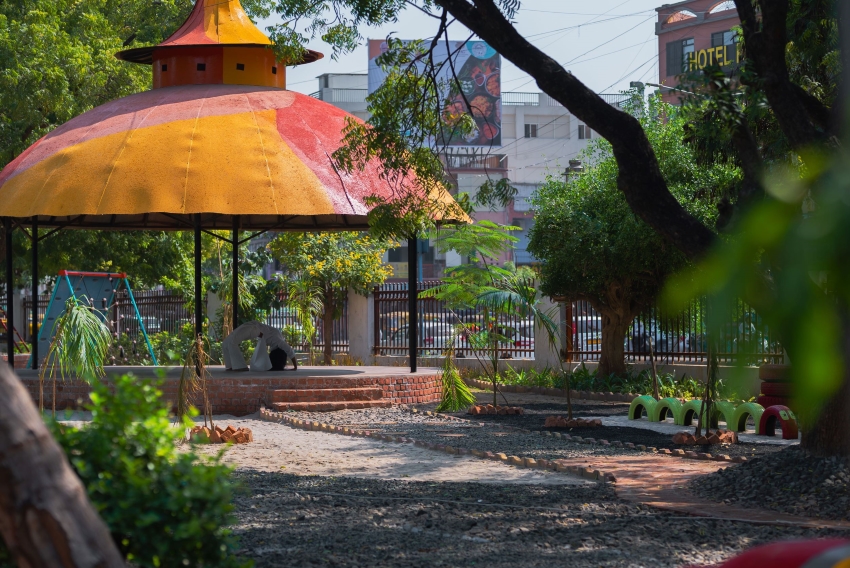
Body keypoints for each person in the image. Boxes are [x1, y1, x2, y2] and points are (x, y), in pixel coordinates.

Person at [222, 321, 298, 372]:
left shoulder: (278, 336)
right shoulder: (278, 342)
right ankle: (232, 366)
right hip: (253, 328)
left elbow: (289, 351)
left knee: (231, 342)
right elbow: (289, 350)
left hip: (252, 326)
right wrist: (295, 367)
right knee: (227, 343)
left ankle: (240, 366)